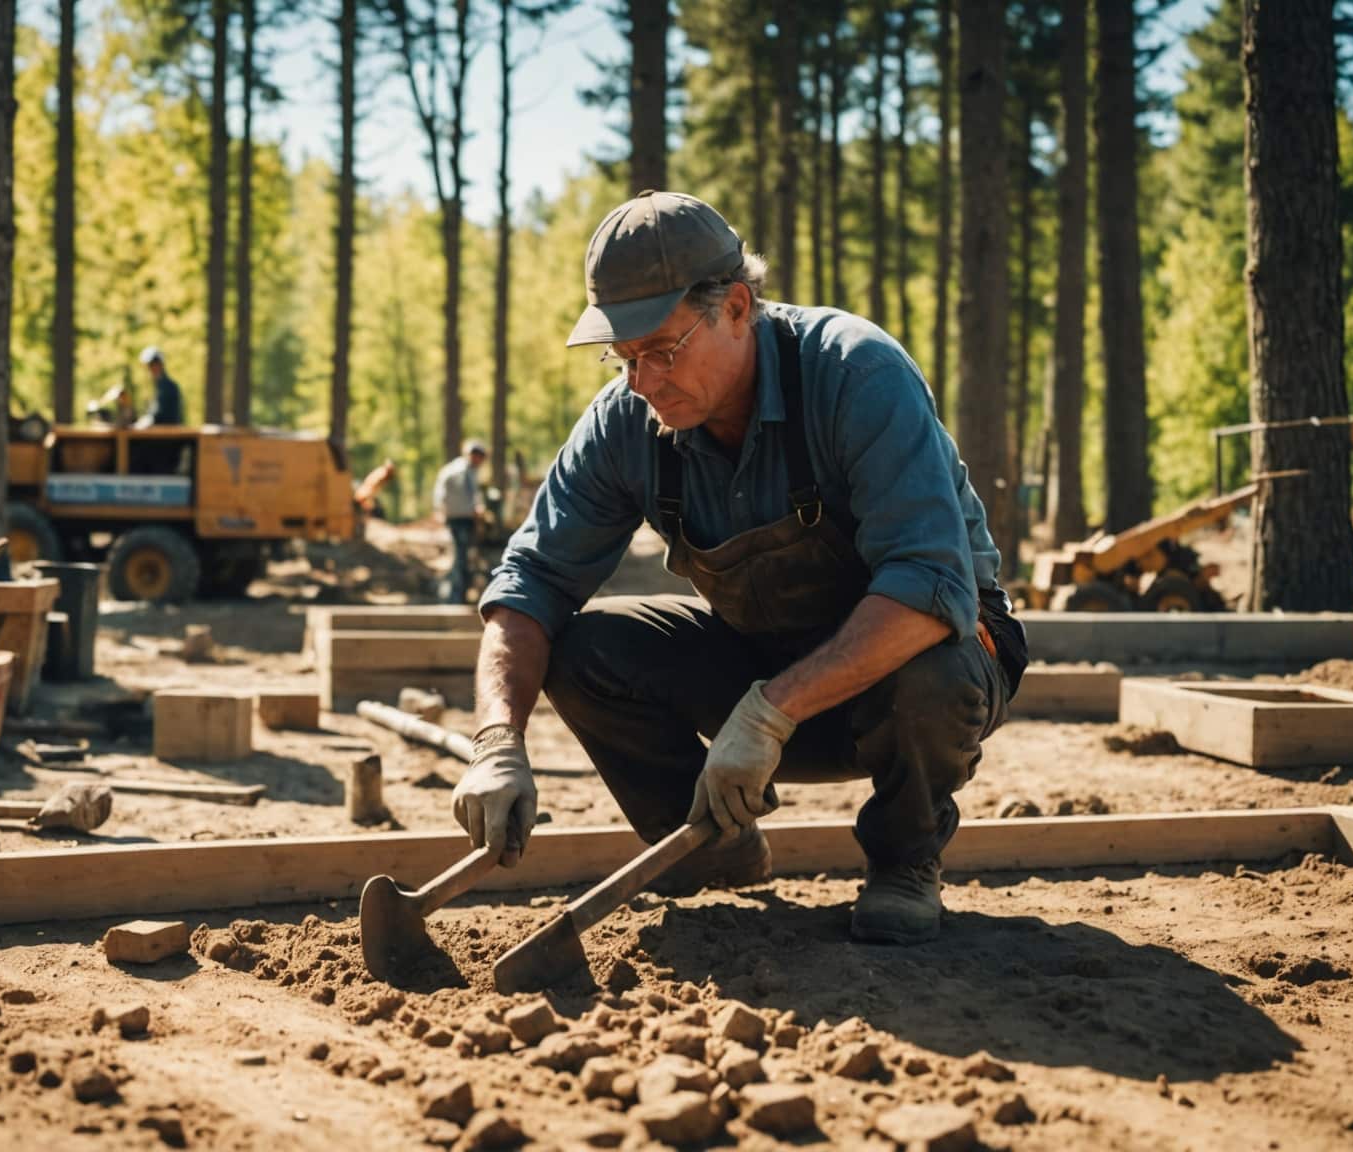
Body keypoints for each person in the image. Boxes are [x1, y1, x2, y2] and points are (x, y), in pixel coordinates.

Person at [454, 191, 1028, 944]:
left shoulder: (856, 374)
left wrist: (769, 713)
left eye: (661, 350)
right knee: (586, 651)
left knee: (937, 667)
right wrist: (497, 742)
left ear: (736, 307)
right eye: (622, 358)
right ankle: (713, 845)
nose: (642, 383)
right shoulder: (627, 421)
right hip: (765, 660)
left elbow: (927, 585)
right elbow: (530, 581)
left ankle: (905, 861)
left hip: (918, 671)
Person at [433, 440, 489, 605]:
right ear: (474, 456)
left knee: (462, 557)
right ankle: (455, 597)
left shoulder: (455, 469)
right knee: (461, 558)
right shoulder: (461, 472)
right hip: (461, 519)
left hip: (457, 518)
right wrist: (476, 510)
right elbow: (468, 498)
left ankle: (459, 595)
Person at [137, 346, 184, 428]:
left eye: (153, 364)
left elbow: (158, 414)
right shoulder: (158, 386)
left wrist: (144, 422)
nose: (151, 368)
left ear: (160, 365)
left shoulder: (168, 386)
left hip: (167, 436)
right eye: (149, 365)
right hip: (160, 434)